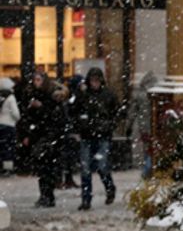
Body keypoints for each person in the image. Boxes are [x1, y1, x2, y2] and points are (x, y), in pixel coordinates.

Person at [74, 67, 120, 210]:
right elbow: (74, 110)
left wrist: (109, 125)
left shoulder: (107, 95)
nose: (95, 83)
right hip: (88, 135)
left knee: (101, 166)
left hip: (101, 135)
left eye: (97, 80)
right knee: (86, 168)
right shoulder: (84, 95)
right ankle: (86, 198)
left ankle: (109, 188)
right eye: (92, 80)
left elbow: (116, 113)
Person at [19, 71, 65, 208]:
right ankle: (45, 195)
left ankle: (48, 195)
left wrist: (42, 108)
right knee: (42, 168)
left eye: (39, 80)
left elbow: (55, 116)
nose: (36, 82)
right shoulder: (31, 95)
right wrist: (25, 134)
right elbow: (26, 116)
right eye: (35, 80)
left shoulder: (51, 96)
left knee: (47, 167)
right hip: (38, 135)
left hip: (48, 136)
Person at [0, 77, 20, 174]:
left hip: (0, 124)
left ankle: (2, 166)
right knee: (8, 146)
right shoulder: (11, 98)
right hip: (9, 125)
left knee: (2, 146)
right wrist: (17, 119)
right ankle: (8, 168)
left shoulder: (1, 96)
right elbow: (15, 113)